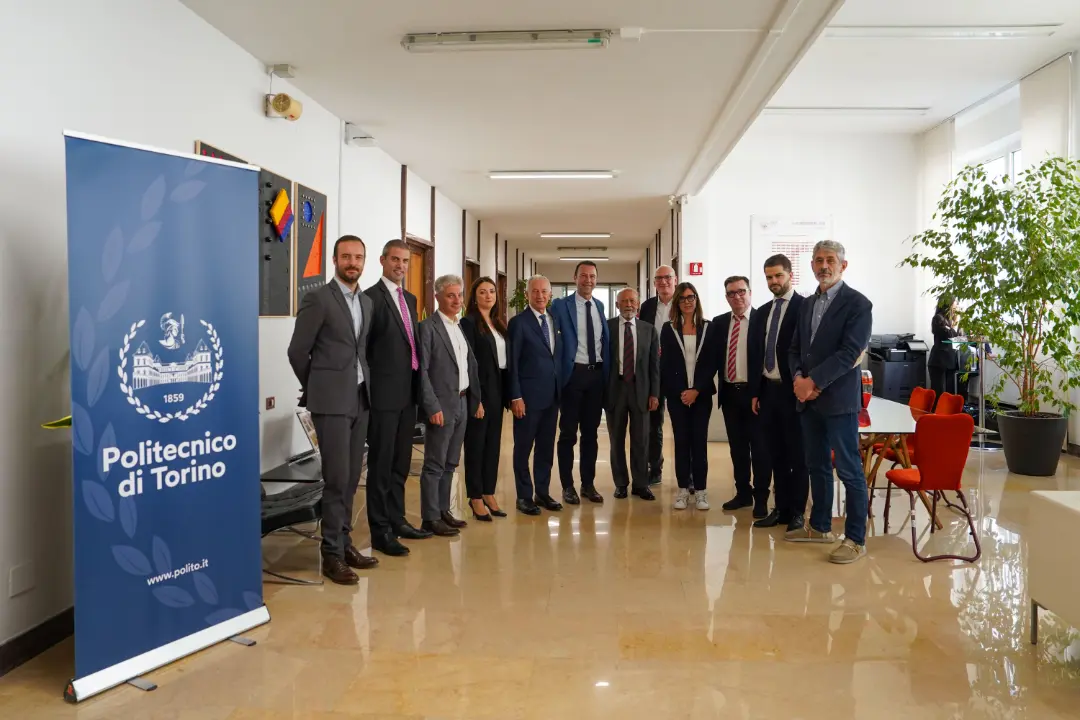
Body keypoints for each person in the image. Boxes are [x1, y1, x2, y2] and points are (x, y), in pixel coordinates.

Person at [287, 235, 379, 584]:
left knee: (353, 477)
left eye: (358, 257)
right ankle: (331, 554)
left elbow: (360, 349)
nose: (352, 263)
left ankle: (344, 542)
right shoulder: (318, 299)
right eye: (346, 257)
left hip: (360, 398)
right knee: (337, 478)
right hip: (331, 402)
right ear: (335, 260)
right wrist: (318, 386)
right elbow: (298, 351)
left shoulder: (366, 302)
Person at [787, 240, 873, 564]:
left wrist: (813, 382)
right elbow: (796, 349)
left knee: (849, 470)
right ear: (812, 264)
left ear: (843, 265)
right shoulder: (807, 304)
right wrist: (798, 379)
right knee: (817, 465)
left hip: (838, 401)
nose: (824, 266)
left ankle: (855, 539)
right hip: (809, 401)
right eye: (819, 260)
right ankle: (820, 527)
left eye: (831, 260)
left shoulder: (858, 304)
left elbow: (850, 353)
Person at [363, 239, 431, 557]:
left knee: (401, 463)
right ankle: (380, 531)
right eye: (395, 259)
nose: (400, 266)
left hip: (408, 394)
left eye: (405, 261)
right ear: (382, 261)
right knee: (381, 464)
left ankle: (397, 519)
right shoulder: (369, 299)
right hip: (382, 397)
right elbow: (363, 350)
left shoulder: (411, 299)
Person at [417, 275, 481, 537]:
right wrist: (432, 406)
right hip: (441, 405)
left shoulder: (458, 326)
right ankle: (430, 517)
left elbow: (466, 366)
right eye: (450, 295)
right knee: (434, 463)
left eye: (459, 295)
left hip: (462, 402)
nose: (456, 300)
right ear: (437, 297)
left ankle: (444, 511)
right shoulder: (428, 327)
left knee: (451, 462)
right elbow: (422, 371)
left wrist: (475, 400)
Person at [748, 254, 808, 532]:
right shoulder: (763, 311)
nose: (774, 281)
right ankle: (781, 509)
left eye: (778, 276)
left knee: (798, 456)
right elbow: (756, 354)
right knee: (776, 456)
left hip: (793, 391)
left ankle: (797, 512)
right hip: (768, 392)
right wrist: (755, 392)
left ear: (790, 275)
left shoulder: (804, 307)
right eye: (769, 277)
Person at [548, 261, 610, 505]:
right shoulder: (560, 306)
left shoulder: (599, 306)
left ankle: (588, 484)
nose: (588, 280)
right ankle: (567, 486)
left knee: (590, 434)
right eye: (583, 275)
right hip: (572, 376)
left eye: (592, 276)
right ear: (575, 278)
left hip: (596, 378)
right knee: (568, 434)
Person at [713, 276, 771, 518]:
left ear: (750, 292)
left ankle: (761, 497)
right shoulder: (719, 323)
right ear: (726, 297)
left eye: (741, 291)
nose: (736, 297)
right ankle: (743, 493)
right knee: (737, 448)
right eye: (731, 293)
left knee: (760, 449)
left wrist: (759, 393)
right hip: (730, 393)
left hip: (756, 395)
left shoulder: (763, 320)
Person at [507, 275, 564, 516]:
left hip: (552, 397)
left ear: (550, 294)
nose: (540, 296)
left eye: (544, 291)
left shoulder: (554, 319)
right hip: (528, 399)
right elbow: (513, 363)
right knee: (523, 448)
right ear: (527, 294)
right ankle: (523, 496)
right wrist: (516, 396)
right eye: (535, 291)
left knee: (545, 448)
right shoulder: (519, 323)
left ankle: (542, 492)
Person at [659, 282, 717, 511]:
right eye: (682, 298)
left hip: (701, 395)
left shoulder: (708, 327)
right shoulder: (668, 329)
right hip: (678, 397)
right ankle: (683, 489)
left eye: (691, 297)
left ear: (696, 299)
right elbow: (666, 365)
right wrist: (682, 392)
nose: (687, 302)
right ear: (677, 302)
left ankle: (701, 491)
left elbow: (712, 363)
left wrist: (696, 390)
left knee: (699, 443)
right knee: (681, 442)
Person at [461, 277, 509, 521]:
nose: (488, 295)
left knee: (493, 445)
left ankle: (489, 492)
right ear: (474, 296)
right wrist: (475, 399)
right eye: (482, 292)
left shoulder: (498, 323)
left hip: (498, 391)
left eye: (491, 291)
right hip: (480, 392)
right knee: (476, 445)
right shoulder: (468, 323)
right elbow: (468, 364)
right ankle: (475, 496)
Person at [606, 288, 660, 501]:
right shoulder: (608, 327)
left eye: (632, 301)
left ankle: (641, 484)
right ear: (617, 305)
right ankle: (621, 483)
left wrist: (654, 393)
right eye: (624, 301)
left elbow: (654, 365)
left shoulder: (649, 330)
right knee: (616, 440)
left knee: (641, 440)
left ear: (638, 305)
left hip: (641, 390)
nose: (628, 305)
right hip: (616, 390)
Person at [637, 265, 677, 486]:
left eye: (667, 277)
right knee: (654, 424)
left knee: (682, 425)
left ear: (675, 279)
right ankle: (655, 467)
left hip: (679, 373)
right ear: (654, 283)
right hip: (654, 372)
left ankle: (688, 473)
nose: (663, 282)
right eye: (659, 278)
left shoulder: (685, 302)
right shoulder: (647, 307)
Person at [928, 294, 960, 402]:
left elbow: (957, 336)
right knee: (938, 392)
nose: (956, 305)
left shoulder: (951, 319)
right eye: (955, 302)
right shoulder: (938, 318)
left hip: (950, 361)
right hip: (939, 361)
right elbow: (949, 335)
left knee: (949, 393)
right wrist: (953, 325)